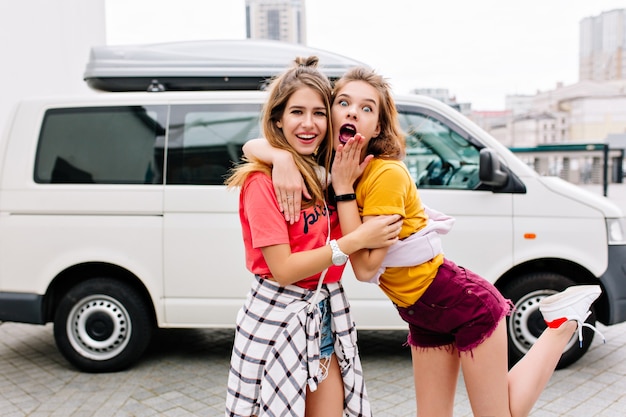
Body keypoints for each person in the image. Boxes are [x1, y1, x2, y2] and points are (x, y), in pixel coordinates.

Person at [243, 66, 606, 417]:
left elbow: (366, 268)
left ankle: (562, 326)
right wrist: (280, 156)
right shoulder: (335, 166)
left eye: (367, 108)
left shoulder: (382, 174)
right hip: (422, 313)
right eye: (344, 103)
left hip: (465, 305)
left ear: (378, 126)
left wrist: (342, 190)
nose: (353, 111)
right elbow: (253, 144)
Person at [224, 57, 402, 417]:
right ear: (278, 120)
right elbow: (284, 269)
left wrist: (340, 183)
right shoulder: (262, 183)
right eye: (296, 113)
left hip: (323, 317)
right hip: (276, 320)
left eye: (319, 113)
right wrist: (350, 243)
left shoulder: (331, 174)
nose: (309, 124)